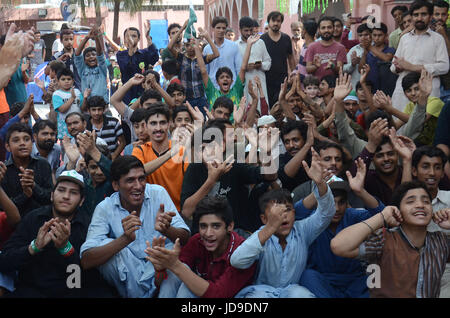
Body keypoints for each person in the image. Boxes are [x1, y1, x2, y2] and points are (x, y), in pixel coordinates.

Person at [230, 148, 335, 298]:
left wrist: (320, 184)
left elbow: (327, 213)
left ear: (294, 212)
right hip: (260, 292)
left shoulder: (302, 230)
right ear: (264, 219)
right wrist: (271, 227)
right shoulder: (262, 235)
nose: (283, 216)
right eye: (276, 213)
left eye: (287, 210)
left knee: (300, 294)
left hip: (292, 292)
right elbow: (237, 261)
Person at [80, 155, 190, 298]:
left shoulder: (158, 193)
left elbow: (185, 238)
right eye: (130, 180)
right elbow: (86, 260)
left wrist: (167, 229)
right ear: (115, 185)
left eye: (141, 178)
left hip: (159, 272)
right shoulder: (105, 208)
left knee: (177, 261)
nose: (138, 186)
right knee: (107, 247)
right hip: (130, 277)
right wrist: (124, 239)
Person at [0, 170, 116, 297]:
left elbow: (90, 277)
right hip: (33, 290)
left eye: (73, 192)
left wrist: (66, 249)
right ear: (51, 195)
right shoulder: (33, 218)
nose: (66, 196)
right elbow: (5, 260)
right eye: (61, 190)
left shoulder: (89, 226)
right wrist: (34, 247)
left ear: (82, 200)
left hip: (72, 291)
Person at [331, 180, 450, 298]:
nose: (420, 205)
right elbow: (338, 246)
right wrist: (381, 217)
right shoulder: (384, 240)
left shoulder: (440, 241)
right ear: (398, 210)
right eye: (410, 201)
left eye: (426, 201)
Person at [297, 159, 385, 298]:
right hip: (325, 282)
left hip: (356, 282)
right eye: (331, 201)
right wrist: (318, 191)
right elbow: (294, 214)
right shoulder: (312, 220)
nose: (336, 208)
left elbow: (381, 215)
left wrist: (360, 192)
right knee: (308, 276)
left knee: (376, 271)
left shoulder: (353, 216)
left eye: (341, 202)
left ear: (347, 203)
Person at [180, 118, 278, 235]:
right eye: (202, 149)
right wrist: (211, 180)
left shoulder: (233, 166)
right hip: (203, 234)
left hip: (234, 233)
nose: (207, 152)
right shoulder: (194, 169)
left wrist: (266, 152)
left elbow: (270, 175)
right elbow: (186, 212)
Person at [146, 195, 256, 298]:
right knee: (173, 276)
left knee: (186, 287)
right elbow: (167, 283)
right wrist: (160, 269)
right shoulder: (197, 241)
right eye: (203, 226)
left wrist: (175, 265)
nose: (208, 233)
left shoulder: (241, 251)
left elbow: (219, 294)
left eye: (216, 226)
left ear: (230, 226)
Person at [390, 0, 449, 113]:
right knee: (400, 125)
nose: (419, 18)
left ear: (430, 16)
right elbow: (393, 67)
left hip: (428, 91)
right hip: (403, 91)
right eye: (416, 15)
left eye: (424, 14)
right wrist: (398, 67)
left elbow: (444, 66)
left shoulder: (437, 39)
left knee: (424, 126)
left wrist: (412, 67)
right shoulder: (404, 38)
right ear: (411, 17)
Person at [132, 104, 189, 211]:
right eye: (153, 123)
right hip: (148, 213)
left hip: (177, 213)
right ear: (146, 126)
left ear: (169, 124)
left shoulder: (182, 150)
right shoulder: (140, 150)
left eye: (162, 123)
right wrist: (170, 154)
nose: (158, 128)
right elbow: (138, 172)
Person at [410, 146, 450, 297]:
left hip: (446, 270)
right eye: (425, 167)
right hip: (413, 268)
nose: (432, 173)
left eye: (437, 167)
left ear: (442, 173)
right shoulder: (407, 203)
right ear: (414, 171)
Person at [2, 123, 53, 217]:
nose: (22, 143)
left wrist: (34, 186)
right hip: (14, 223)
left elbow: (50, 198)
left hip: (42, 219)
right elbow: (3, 208)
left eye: (26, 139)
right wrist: (25, 195)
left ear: (32, 143)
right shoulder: (4, 170)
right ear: (8, 147)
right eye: (16, 140)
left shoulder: (43, 164)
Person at [167, 23, 219, 115]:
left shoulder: (201, 59)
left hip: (200, 99)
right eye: (187, 45)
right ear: (184, 46)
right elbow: (170, 47)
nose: (190, 48)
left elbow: (216, 54)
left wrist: (207, 37)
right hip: (185, 98)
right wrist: (182, 28)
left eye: (192, 45)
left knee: (199, 125)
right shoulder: (181, 58)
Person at [200, 34, 258, 111]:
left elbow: (243, 68)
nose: (225, 79)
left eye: (228, 77)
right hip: (216, 123)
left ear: (232, 81)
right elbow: (203, 71)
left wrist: (249, 45)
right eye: (222, 77)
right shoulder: (212, 92)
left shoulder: (237, 90)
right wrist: (197, 48)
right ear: (217, 82)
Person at [261, 11, 296, 107]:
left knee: (282, 106)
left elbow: (291, 58)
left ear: (281, 23)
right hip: (266, 80)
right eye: (273, 20)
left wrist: (293, 74)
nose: (276, 23)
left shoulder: (286, 38)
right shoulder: (262, 39)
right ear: (269, 22)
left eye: (278, 21)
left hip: (283, 80)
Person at [116, 25, 159, 104]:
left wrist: (148, 37)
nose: (131, 38)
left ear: (139, 39)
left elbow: (154, 58)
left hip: (143, 92)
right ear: (124, 39)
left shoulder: (144, 53)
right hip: (127, 94)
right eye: (128, 36)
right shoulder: (120, 55)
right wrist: (131, 48)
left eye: (134, 36)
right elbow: (126, 67)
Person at [237, 16, 271, 114]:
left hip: (259, 81)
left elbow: (268, 62)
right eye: (246, 30)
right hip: (244, 82)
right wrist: (244, 68)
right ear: (240, 30)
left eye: (251, 30)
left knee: (262, 110)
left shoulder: (260, 43)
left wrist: (260, 65)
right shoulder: (236, 45)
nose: (248, 33)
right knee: (245, 110)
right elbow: (234, 68)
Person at [203, 17, 242, 90]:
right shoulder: (207, 48)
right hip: (213, 88)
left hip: (231, 88)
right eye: (218, 28)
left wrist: (238, 87)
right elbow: (206, 71)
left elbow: (239, 69)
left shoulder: (234, 46)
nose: (221, 30)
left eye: (223, 28)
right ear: (213, 29)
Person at [74, 26, 109, 104]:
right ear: (84, 60)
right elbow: (77, 55)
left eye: (93, 54)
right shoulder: (82, 70)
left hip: (102, 104)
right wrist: (87, 37)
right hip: (87, 105)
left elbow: (100, 53)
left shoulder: (102, 69)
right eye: (87, 55)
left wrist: (96, 37)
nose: (91, 57)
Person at [305, 16, 347, 81]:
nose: (326, 30)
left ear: (333, 28)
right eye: (323, 28)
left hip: (334, 87)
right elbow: (308, 69)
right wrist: (316, 66)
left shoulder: (340, 48)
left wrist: (333, 66)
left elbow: (340, 70)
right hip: (316, 87)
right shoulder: (311, 47)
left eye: (329, 27)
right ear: (319, 30)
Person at [360, 23, 396, 96]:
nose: (376, 38)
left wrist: (369, 47)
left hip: (386, 88)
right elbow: (360, 69)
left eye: (380, 35)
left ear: (386, 36)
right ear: (371, 36)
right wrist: (365, 52)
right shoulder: (368, 51)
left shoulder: (390, 50)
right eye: (374, 35)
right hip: (370, 87)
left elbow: (387, 58)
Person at [85, 96, 125, 160]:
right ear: (88, 111)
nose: (97, 113)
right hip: (93, 159)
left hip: (113, 159)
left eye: (99, 109)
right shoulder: (85, 126)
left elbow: (122, 142)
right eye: (94, 110)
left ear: (104, 109)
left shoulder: (114, 122)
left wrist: (114, 156)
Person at [52, 68, 84, 141]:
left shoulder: (77, 92)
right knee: (66, 150)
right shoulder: (57, 94)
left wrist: (85, 98)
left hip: (78, 128)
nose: (66, 81)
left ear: (73, 81)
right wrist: (72, 98)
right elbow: (62, 109)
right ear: (58, 81)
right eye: (63, 79)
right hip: (65, 130)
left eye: (69, 79)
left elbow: (82, 108)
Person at [432, 0, 450, 104]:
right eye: (437, 14)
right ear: (431, 15)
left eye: (443, 14)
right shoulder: (426, 33)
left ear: (447, 16)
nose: (440, 17)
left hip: (447, 84)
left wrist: (443, 35)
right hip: (431, 82)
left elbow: (449, 55)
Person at [343, 23, 371, 90]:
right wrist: (352, 64)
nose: (363, 38)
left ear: (371, 35)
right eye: (360, 35)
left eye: (366, 35)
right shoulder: (354, 50)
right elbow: (344, 69)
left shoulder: (376, 49)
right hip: (356, 87)